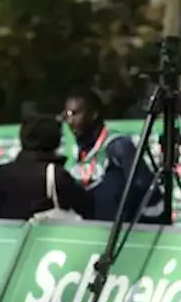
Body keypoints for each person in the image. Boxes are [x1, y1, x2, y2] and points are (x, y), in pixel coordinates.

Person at [62, 87, 166, 224]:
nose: (70, 121)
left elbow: (148, 194)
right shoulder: (80, 150)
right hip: (91, 234)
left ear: (93, 114)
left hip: (123, 235)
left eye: (75, 114)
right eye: (67, 115)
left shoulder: (118, 146)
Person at [0, 115, 94, 220]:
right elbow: (89, 209)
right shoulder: (56, 176)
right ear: (54, 141)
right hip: (43, 244)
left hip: (4, 245)